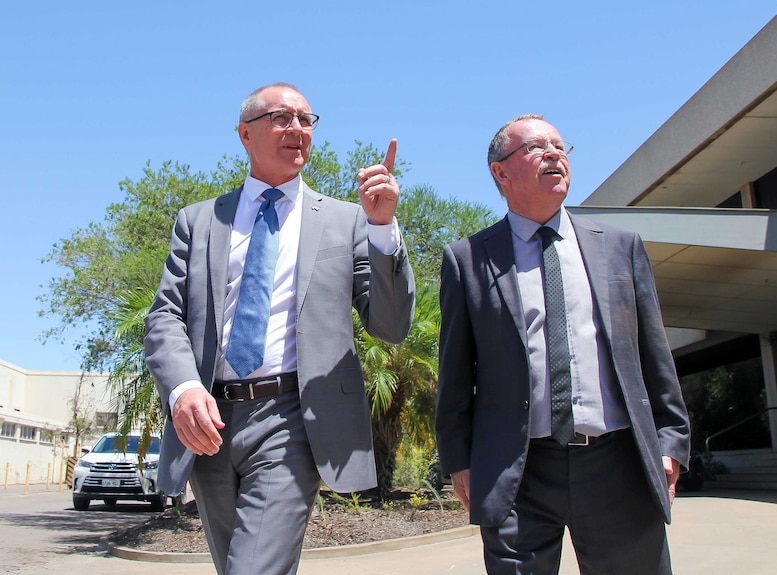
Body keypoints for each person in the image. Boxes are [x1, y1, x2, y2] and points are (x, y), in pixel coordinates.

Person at [144, 82, 415, 575]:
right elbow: (165, 316)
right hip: (207, 421)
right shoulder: (199, 221)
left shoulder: (347, 221)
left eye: (306, 120)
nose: (297, 129)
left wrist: (382, 230)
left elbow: (391, 326)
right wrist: (183, 388)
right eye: (281, 118)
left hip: (292, 417)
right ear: (245, 134)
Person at [435, 114, 690, 574]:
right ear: (501, 171)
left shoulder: (619, 247)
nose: (555, 153)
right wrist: (458, 458)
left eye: (559, 146)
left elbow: (653, 354)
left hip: (618, 463)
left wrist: (671, 440)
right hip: (517, 471)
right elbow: (455, 371)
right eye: (536, 147)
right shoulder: (467, 259)